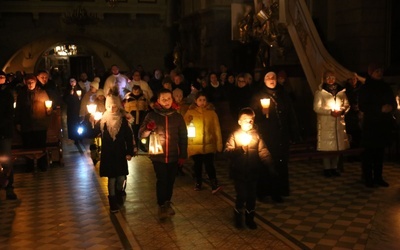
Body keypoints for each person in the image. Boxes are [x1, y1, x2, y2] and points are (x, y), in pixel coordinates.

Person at [251, 71, 300, 203]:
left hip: (281, 135)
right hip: (266, 135)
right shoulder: (258, 95)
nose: (271, 79)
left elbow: (291, 114)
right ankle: (263, 191)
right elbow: (253, 116)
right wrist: (262, 113)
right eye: (268, 77)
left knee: (280, 163)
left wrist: (294, 132)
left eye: (273, 77)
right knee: (266, 162)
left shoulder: (283, 94)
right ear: (264, 80)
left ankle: (278, 191)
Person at [139, 88, 188, 221]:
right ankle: (161, 205)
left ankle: (167, 202)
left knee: (171, 180)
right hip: (158, 155)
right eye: (163, 99)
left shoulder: (177, 117)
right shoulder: (152, 115)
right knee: (162, 179)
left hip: (173, 155)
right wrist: (148, 128)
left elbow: (183, 137)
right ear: (158, 100)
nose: (167, 102)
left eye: (169, 99)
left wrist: (183, 155)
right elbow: (141, 134)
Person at [224, 107, 273, 229]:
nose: (248, 123)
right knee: (242, 195)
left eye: (251, 120)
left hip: (253, 171)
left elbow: (263, 151)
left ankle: (250, 219)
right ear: (239, 121)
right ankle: (238, 217)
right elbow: (227, 151)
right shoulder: (234, 135)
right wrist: (239, 150)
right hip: (238, 171)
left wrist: (270, 164)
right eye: (245, 120)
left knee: (251, 196)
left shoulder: (256, 136)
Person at [90, 94, 136, 213]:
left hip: (120, 153)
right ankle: (113, 201)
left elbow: (128, 137)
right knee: (112, 178)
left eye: (114, 106)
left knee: (120, 177)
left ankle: (119, 192)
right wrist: (92, 121)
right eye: (110, 106)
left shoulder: (123, 121)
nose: (112, 108)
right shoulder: (102, 120)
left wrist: (129, 152)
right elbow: (94, 132)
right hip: (108, 153)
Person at [358, 63, 397, 188]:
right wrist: (379, 108)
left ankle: (378, 177)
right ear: (371, 73)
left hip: (383, 124)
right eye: (377, 71)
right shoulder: (365, 88)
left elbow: (393, 102)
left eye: (380, 71)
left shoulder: (386, 87)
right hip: (371, 124)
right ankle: (368, 178)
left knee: (380, 152)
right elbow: (363, 106)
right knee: (369, 152)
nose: (379, 73)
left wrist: (391, 107)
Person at [183, 91, 223, 194]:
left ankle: (214, 183)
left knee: (209, 164)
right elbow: (184, 126)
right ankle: (198, 182)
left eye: (204, 100)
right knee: (198, 164)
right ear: (195, 101)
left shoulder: (212, 113)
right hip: (195, 144)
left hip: (209, 143)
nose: (202, 102)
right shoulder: (190, 112)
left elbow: (216, 129)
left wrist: (218, 143)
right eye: (200, 100)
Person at [313, 70, 350, 177]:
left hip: (338, 123)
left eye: (332, 77)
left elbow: (347, 105)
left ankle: (334, 167)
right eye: (328, 77)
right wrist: (330, 112)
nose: (331, 79)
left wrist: (342, 111)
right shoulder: (320, 93)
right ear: (324, 79)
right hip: (326, 124)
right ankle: (327, 168)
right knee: (327, 148)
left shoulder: (341, 92)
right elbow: (316, 108)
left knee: (337, 147)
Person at [15, 74, 52, 172]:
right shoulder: (22, 94)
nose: (30, 84)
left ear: (35, 82)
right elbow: (18, 109)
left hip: (40, 125)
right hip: (26, 124)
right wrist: (18, 122)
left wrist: (48, 110)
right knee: (28, 146)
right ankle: (30, 166)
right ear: (25, 83)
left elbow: (48, 105)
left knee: (41, 146)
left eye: (32, 82)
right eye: (28, 82)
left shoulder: (42, 93)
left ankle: (42, 165)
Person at [0, 70, 17, 199]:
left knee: (6, 159)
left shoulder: (7, 95)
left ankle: (9, 187)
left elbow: (9, 113)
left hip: (4, 132)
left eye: (2, 77)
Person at [344, 76, 363, 149]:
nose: (353, 81)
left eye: (354, 79)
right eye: (351, 79)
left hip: (360, 114)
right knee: (351, 135)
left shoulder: (361, 89)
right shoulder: (345, 91)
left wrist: (359, 106)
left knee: (359, 134)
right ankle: (352, 154)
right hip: (349, 115)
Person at [63, 77, 82, 145]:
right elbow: (65, 100)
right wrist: (70, 95)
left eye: (73, 81)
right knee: (72, 124)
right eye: (71, 81)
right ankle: (74, 137)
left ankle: (80, 136)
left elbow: (82, 98)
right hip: (71, 110)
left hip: (78, 109)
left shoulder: (79, 89)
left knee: (79, 123)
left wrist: (80, 97)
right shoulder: (67, 90)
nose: (72, 83)